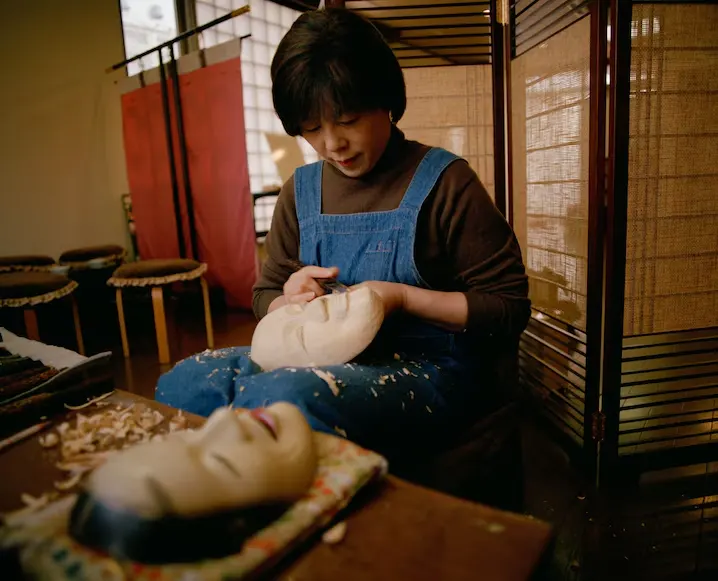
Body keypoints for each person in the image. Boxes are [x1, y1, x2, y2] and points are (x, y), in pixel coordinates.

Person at [156, 8, 530, 461]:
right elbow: (264, 295)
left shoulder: (447, 183)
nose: (332, 143)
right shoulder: (300, 191)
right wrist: (290, 300)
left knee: (286, 397)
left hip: (430, 370)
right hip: (323, 362)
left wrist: (401, 298)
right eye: (312, 128)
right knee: (187, 382)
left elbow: (508, 307)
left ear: (386, 100)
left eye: (348, 119)